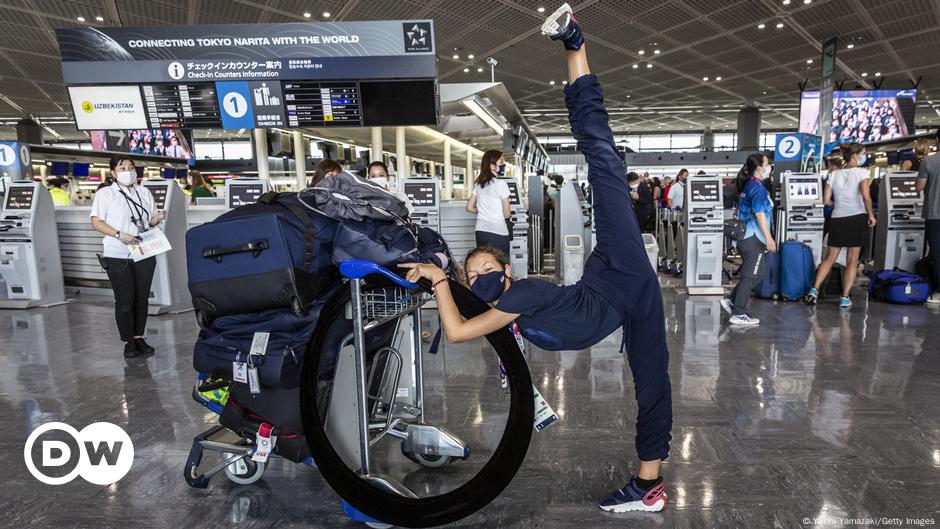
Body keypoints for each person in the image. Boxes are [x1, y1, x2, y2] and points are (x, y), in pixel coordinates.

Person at [401, 9, 671, 513]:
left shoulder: (520, 295)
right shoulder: (514, 309)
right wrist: (436, 276)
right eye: (470, 275)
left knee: (601, 158)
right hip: (621, 295)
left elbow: (458, 332)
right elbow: (467, 320)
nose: (478, 277)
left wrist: (440, 278)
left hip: (622, 265)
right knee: (653, 383)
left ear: (506, 272)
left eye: (485, 271)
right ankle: (649, 485)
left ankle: (574, 43)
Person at [89, 157, 166, 359]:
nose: (128, 171)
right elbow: (96, 222)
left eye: (131, 167)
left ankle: (139, 336)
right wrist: (119, 234)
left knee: (142, 298)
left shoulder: (144, 192)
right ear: (113, 173)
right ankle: (128, 341)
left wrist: (156, 219)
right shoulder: (106, 194)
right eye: (122, 168)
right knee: (124, 300)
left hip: (143, 251)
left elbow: (148, 221)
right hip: (117, 253)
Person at [805, 143, 876, 308]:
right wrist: (871, 215)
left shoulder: (834, 174)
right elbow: (866, 197)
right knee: (852, 260)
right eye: (862, 154)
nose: (863, 157)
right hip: (856, 218)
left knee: (829, 258)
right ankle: (844, 297)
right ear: (855, 155)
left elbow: (826, 200)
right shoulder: (862, 172)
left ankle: (813, 291)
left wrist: (839, 204)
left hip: (838, 218)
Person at [720, 154, 777, 326]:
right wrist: (769, 238)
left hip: (747, 237)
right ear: (759, 167)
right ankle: (739, 313)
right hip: (753, 237)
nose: (770, 167)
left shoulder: (751, 185)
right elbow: (759, 214)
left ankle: (732, 301)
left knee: (756, 274)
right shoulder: (757, 188)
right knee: (750, 275)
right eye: (767, 164)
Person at [466, 149, 512, 256]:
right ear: (492, 166)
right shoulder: (501, 184)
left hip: (481, 232)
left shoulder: (479, 184)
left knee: (484, 265)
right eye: (501, 162)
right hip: (498, 232)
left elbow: (469, 207)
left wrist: (482, 210)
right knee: (501, 265)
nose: (503, 164)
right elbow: (507, 214)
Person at [916, 129, 940, 304]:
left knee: (937, 253)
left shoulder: (929, 161)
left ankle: (938, 290)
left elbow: (919, 186)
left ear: (938, 140)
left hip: (934, 213)